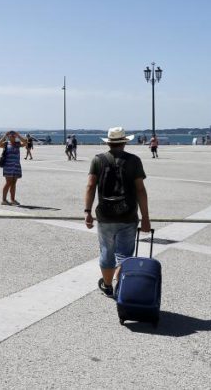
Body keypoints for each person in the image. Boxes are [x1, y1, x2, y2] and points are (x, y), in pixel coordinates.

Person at [84, 127, 151, 297]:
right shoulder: (134, 161)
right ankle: (122, 287)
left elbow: (91, 186)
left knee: (107, 251)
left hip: (105, 215)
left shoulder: (98, 160)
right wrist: (145, 218)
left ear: (109, 142)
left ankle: (107, 286)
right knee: (125, 255)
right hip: (128, 215)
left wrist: (87, 212)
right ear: (124, 142)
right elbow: (140, 190)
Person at [0, 131, 23, 205]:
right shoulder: (6, 143)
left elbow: (25, 142)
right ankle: (4, 200)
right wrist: (5, 135)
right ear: (8, 137)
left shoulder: (17, 144)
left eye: (13, 135)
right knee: (8, 182)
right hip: (8, 166)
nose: (12, 136)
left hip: (16, 166)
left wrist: (18, 135)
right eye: (11, 135)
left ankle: (12, 199)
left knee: (14, 183)